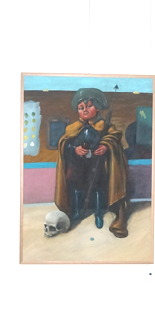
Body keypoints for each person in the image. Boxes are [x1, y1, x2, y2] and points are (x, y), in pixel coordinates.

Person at [53, 88, 130, 238]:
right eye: (81, 107)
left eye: (89, 106)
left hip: (98, 165)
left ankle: (98, 214)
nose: (85, 110)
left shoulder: (105, 126)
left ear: (98, 107)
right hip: (78, 166)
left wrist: (106, 146)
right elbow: (65, 145)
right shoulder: (72, 128)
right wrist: (75, 149)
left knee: (98, 189)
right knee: (76, 187)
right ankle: (76, 211)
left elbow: (114, 138)